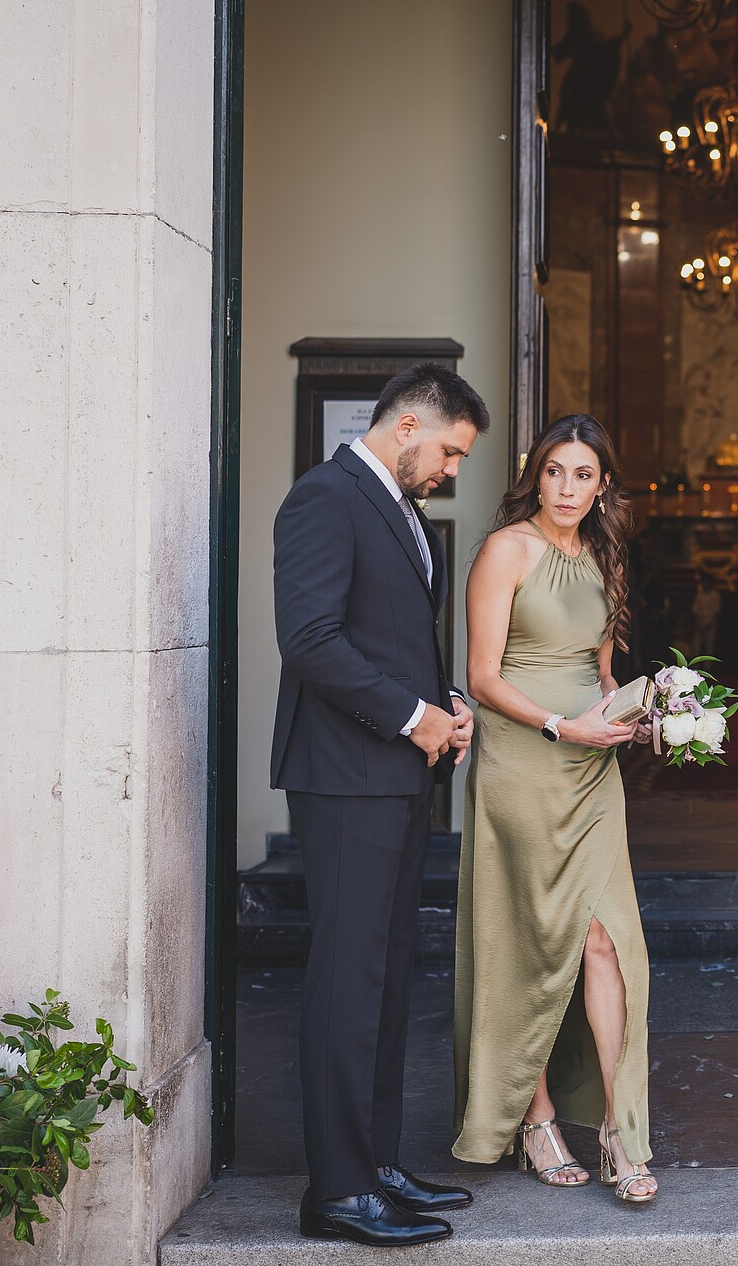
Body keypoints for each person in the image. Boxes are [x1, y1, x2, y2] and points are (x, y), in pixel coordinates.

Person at [271, 363, 488, 1247]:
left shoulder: (400, 507)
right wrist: (414, 716)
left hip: (397, 774)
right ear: (406, 427)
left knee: (388, 979)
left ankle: (378, 1165)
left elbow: (395, 633)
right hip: (347, 776)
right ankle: (337, 1192)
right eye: (449, 451)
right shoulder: (324, 497)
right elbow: (312, 639)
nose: (452, 470)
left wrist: (446, 704)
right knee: (347, 980)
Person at [451, 413, 660, 1205]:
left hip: (592, 769)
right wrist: (559, 724)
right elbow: (482, 675)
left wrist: (634, 713)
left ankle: (618, 1129)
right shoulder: (507, 549)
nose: (567, 488)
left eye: (583, 475)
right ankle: (534, 1118)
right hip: (523, 762)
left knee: (606, 943)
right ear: (535, 476)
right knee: (533, 939)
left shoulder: (606, 555)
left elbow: (601, 667)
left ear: (603, 483)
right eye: (554, 472)